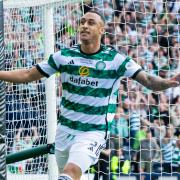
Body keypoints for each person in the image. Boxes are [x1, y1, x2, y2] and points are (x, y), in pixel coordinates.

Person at [0, 10, 180, 180]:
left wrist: (169, 82)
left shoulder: (116, 60)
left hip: (93, 133)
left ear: (102, 30)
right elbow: (27, 75)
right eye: (82, 22)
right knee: (68, 174)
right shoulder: (64, 56)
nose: (84, 25)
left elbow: (148, 80)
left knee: (70, 172)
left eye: (91, 23)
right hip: (65, 130)